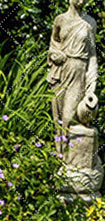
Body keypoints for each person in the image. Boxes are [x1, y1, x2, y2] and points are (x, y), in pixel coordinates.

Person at [47, 0, 98, 155]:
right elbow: (53, 44)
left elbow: (92, 55)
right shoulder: (60, 20)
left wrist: (92, 84)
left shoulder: (89, 23)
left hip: (78, 72)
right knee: (58, 119)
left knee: (68, 118)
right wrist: (54, 54)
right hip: (60, 72)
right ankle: (61, 158)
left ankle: (72, 157)